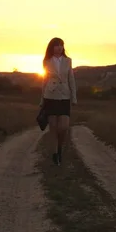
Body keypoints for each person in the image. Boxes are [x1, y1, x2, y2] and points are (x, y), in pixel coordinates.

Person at [39, 37, 77, 166]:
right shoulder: (47, 61)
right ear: (52, 47)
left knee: (64, 127)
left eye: (61, 45)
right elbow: (44, 80)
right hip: (50, 96)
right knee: (53, 127)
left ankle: (60, 148)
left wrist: (74, 97)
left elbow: (71, 78)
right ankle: (55, 154)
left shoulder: (68, 61)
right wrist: (42, 99)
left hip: (65, 96)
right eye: (57, 45)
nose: (59, 47)